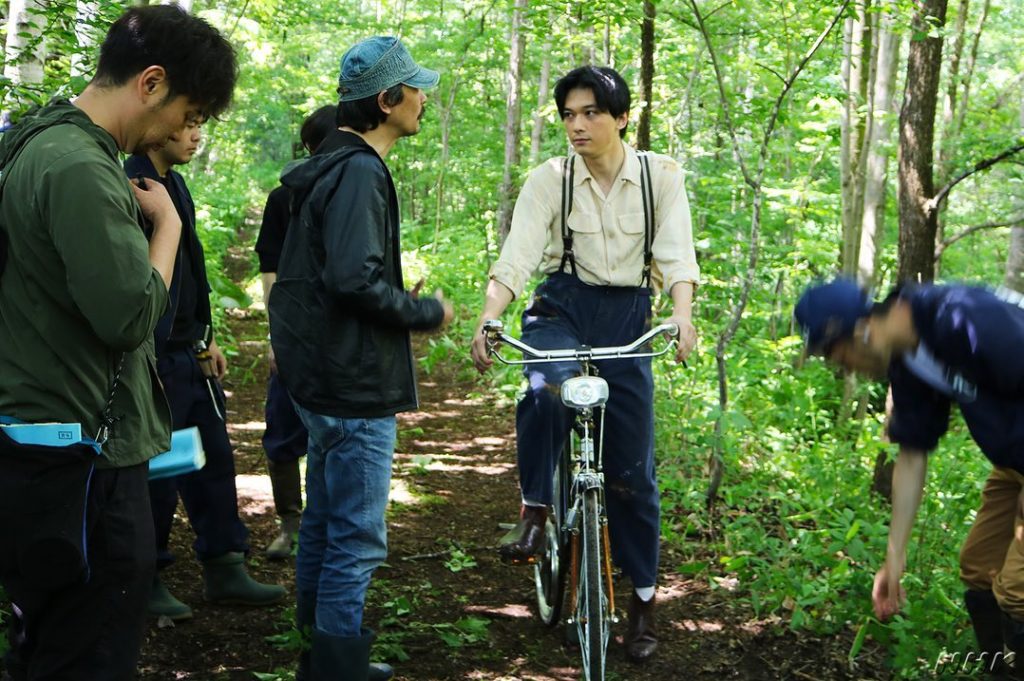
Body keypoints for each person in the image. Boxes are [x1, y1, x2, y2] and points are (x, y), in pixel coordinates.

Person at [0, 5, 236, 678]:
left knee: (49, 641)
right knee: (90, 648)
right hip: (84, 461)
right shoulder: (78, 166)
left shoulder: (34, 137)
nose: (184, 130)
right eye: (188, 113)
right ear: (151, 82)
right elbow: (131, 315)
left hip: (42, 446)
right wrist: (165, 227)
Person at [468, 65, 699, 663]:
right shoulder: (550, 179)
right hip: (560, 310)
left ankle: (643, 605)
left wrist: (682, 316)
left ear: (622, 117)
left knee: (633, 475)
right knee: (544, 389)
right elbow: (516, 256)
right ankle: (537, 512)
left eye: (591, 112)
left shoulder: (661, 177)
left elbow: (677, 256)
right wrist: (490, 316)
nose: (578, 125)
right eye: (569, 114)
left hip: (629, 317)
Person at [268, 37, 453, 681]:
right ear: (387, 99)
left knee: (323, 520)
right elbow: (353, 280)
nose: (424, 99)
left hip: (322, 377)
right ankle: (336, 667)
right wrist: (422, 312)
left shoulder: (328, 166)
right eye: (416, 89)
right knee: (355, 535)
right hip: (351, 385)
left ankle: (319, 655)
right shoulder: (358, 172)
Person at [795, 278, 1024, 678]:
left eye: (836, 355)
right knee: (979, 569)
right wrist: (893, 558)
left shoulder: (963, 317)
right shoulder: (908, 362)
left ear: (860, 329)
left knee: (1017, 589)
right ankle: (1000, 671)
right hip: (1014, 463)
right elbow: (913, 454)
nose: (842, 368)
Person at [124, 120, 287, 620]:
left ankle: (224, 565)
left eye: (201, 124)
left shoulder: (173, 182)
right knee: (158, 473)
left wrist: (206, 334)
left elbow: (190, 268)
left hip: (187, 353)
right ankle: (144, 579)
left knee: (210, 460)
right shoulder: (134, 183)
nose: (196, 134)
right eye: (188, 122)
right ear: (157, 122)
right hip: (154, 358)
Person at [255, 105, 337, 560]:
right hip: (294, 334)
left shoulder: (359, 191)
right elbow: (269, 269)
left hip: (342, 339)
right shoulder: (282, 198)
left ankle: (330, 526)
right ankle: (291, 525)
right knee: (283, 432)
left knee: (338, 435)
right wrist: (276, 334)